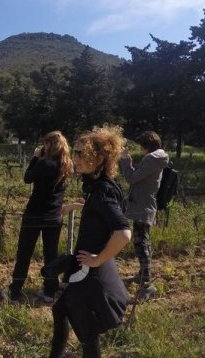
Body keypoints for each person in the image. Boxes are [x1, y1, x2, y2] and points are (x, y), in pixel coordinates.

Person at [49, 126, 132, 358]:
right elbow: (102, 215)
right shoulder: (102, 187)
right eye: (75, 152)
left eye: (80, 153)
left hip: (89, 273)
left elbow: (123, 233)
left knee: (87, 332)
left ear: (99, 159)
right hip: (86, 268)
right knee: (60, 309)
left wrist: (98, 259)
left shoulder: (102, 191)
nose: (75, 157)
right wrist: (79, 207)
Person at [3, 131, 74, 303]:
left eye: (46, 144)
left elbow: (27, 178)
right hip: (54, 216)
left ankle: (15, 291)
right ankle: (50, 291)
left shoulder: (44, 163)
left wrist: (35, 158)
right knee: (51, 254)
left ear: (50, 145)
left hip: (35, 214)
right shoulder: (67, 165)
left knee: (24, 253)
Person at [119, 131, 169, 297]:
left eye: (141, 145)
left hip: (143, 206)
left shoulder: (151, 159)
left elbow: (132, 178)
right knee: (142, 240)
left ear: (146, 145)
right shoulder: (156, 158)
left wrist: (126, 160)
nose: (140, 148)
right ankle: (143, 274)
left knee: (141, 241)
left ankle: (145, 278)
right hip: (145, 204)